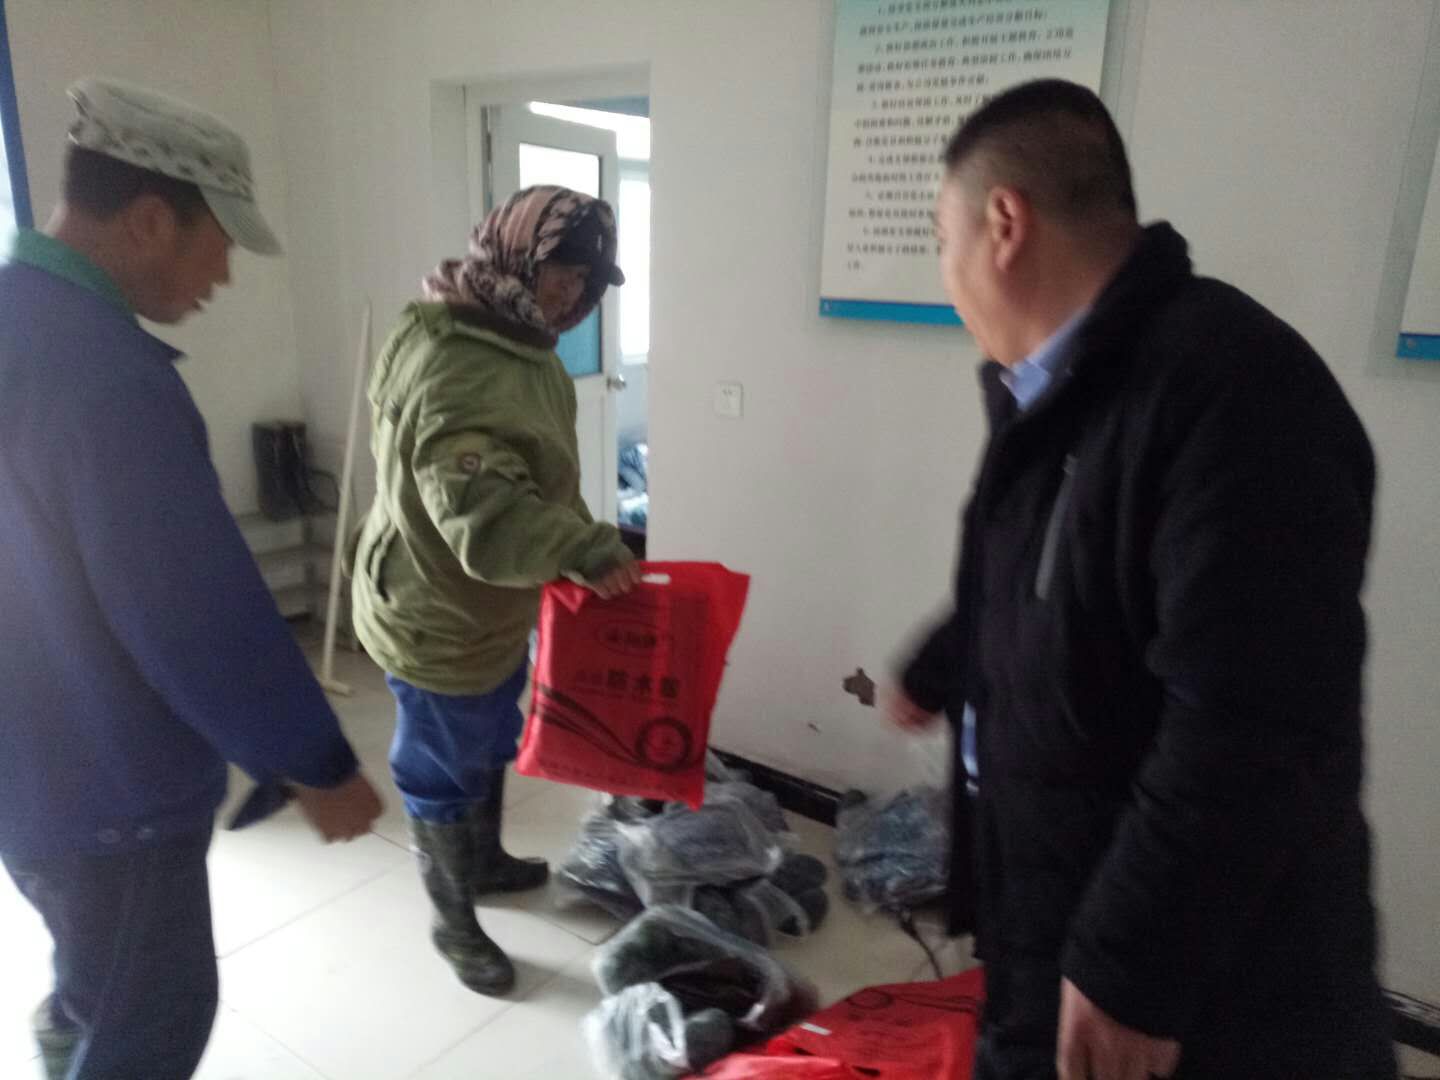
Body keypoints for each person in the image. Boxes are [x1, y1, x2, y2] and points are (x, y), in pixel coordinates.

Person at [888, 79, 1395, 1079]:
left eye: (943, 242)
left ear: (1005, 224)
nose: (946, 279)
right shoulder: (1054, 390)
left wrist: (1134, 964)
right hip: (1053, 904)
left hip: (1211, 986)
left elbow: (1251, 719)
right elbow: (1054, 577)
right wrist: (946, 662)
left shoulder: (1234, 393)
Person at [0, 78, 383, 1080]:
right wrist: (316, 761)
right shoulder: (109, 378)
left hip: (29, 771)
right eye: (220, 243)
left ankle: (65, 1038)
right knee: (156, 1020)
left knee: (92, 981)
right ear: (150, 219)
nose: (224, 274)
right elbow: (191, 611)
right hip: (103, 786)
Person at [350, 185, 642, 997]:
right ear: (516, 256)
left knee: (485, 737)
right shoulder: (460, 362)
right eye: (561, 272)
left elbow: (536, 476)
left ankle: (482, 861)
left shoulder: (506, 335)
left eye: (589, 280)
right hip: (437, 611)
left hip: (487, 603)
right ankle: (453, 920)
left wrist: (572, 544)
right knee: (442, 763)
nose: (572, 294)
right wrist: (584, 548)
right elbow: (484, 516)